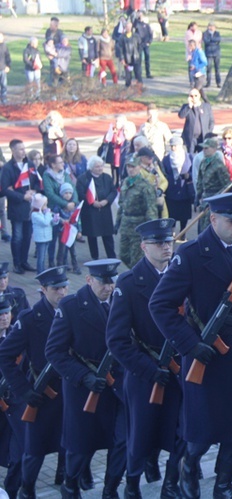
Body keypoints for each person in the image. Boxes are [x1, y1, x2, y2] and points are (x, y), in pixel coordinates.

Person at [150, 191, 232, 497]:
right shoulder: (193, 254)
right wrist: (190, 344)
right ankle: (188, 468)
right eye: (231, 220)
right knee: (203, 429)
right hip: (206, 353)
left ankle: (224, 485)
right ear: (213, 219)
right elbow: (160, 305)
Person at [105, 219, 182, 498]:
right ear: (143, 247)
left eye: (168, 242)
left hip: (179, 367)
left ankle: (171, 483)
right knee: (140, 434)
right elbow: (117, 339)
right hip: (144, 373)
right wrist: (149, 370)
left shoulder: (180, 274)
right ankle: (132, 484)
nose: (165, 247)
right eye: (158, 243)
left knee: (181, 430)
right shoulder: (129, 283)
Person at [45, 259, 127, 499]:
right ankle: (70, 485)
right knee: (81, 446)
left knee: (121, 441)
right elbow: (54, 351)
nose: (108, 287)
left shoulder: (121, 301)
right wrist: (84, 376)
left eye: (112, 281)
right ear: (89, 280)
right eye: (103, 282)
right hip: (84, 389)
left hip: (117, 387)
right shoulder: (71, 306)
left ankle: (110, 489)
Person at [0, 266, 69, 498]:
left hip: (69, 390)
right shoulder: (30, 319)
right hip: (40, 392)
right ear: (43, 289)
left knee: (72, 443)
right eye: (56, 288)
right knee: (33, 449)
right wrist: (23, 390)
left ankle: (69, 482)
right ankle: (24, 490)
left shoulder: (72, 311)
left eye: (64, 287)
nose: (62, 292)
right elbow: (5, 355)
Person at [2, 139, 41, 275]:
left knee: (27, 236)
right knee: (17, 236)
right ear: (13, 150)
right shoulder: (7, 168)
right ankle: (17, 263)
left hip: (30, 207)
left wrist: (34, 191)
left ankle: (24, 261)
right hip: (16, 207)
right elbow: (4, 189)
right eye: (20, 149)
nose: (24, 151)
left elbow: (37, 182)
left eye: (24, 148)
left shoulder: (29, 164)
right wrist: (22, 196)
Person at [117, 158, 158, 269]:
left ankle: (137, 276)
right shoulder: (125, 182)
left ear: (139, 167)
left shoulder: (145, 186)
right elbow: (121, 204)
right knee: (123, 255)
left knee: (136, 257)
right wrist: (117, 222)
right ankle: (137, 272)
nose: (130, 169)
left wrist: (152, 228)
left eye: (133, 167)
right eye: (128, 167)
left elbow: (151, 208)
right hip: (126, 224)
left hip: (138, 225)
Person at [0, 293, 22, 497]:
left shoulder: (17, 338)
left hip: (14, 406)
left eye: (6, 313)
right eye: (0, 314)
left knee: (19, 453)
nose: (4, 317)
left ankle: (12, 491)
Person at [76, 156, 117, 260]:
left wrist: (107, 200)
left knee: (107, 234)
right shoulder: (83, 178)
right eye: (97, 167)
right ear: (91, 168)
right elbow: (80, 194)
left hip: (105, 209)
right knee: (92, 235)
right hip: (90, 211)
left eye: (101, 166)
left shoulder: (107, 177)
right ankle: (95, 257)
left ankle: (111, 256)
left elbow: (113, 191)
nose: (100, 168)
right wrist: (92, 202)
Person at [162, 135, 194, 234]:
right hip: (171, 191)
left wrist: (189, 176)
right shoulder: (166, 159)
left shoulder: (189, 157)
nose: (173, 148)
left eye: (175, 145)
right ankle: (172, 232)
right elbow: (163, 173)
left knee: (184, 214)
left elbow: (195, 171)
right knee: (172, 214)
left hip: (185, 190)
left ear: (181, 146)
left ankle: (182, 232)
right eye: (171, 146)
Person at [52, 182, 80, 274]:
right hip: (63, 231)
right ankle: (60, 266)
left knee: (73, 250)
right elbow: (55, 216)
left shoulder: (74, 205)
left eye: (70, 193)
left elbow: (78, 219)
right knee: (62, 249)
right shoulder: (58, 206)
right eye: (66, 193)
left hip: (72, 230)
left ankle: (75, 266)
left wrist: (79, 230)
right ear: (62, 194)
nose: (68, 195)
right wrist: (62, 221)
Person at [179, 89, 214, 155]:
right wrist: (189, 106)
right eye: (191, 96)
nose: (194, 98)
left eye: (196, 95)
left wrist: (209, 132)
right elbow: (181, 116)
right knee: (190, 156)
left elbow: (211, 121)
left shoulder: (206, 106)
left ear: (199, 96)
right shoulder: (186, 107)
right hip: (191, 138)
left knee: (203, 156)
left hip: (202, 137)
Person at [31, 193, 57, 274]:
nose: (46, 206)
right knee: (41, 257)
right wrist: (48, 214)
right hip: (41, 238)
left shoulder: (44, 213)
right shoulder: (35, 214)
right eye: (45, 205)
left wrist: (55, 220)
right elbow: (45, 222)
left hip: (47, 237)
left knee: (44, 256)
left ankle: (43, 271)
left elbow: (50, 223)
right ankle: (40, 273)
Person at [116, 21, 142, 87]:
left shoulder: (136, 36)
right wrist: (122, 59)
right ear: (125, 27)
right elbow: (120, 49)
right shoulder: (122, 37)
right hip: (127, 59)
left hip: (135, 58)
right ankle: (128, 89)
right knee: (128, 76)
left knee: (138, 74)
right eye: (127, 27)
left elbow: (140, 46)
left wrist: (139, 56)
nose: (129, 28)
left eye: (130, 27)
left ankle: (139, 88)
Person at [133, 10, 153, 79]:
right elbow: (134, 25)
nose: (140, 16)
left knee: (147, 59)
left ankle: (148, 73)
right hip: (139, 44)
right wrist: (136, 17)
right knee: (139, 60)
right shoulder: (137, 24)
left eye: (141, 15)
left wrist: (149, 42)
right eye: (139, 15)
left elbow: (150, 34)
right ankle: (139, 74)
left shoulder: (147, 25)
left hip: (146, 44)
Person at [203, 22, 222, 88]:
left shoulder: (217, 33)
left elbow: (218, 39)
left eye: (213, 27)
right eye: (210, 26)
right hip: (209, 53)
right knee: (209, 68)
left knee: (217, 68)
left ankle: (218, 82)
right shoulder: (205, 33)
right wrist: (213, 41)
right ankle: (208, 82)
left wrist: (211, 40)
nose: (211, 28)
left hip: (216, 53)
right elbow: (206, 41)